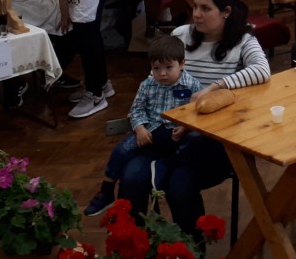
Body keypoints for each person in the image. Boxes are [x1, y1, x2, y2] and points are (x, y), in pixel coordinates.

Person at [119, 0, 270, 242]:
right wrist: (142, 122)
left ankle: (191, 251)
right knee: (132, 177)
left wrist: (216, 86)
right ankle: (131, 245)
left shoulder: (243, 41)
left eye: (205, 8)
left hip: (211, 143)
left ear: (226, 12)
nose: (197, 14)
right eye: (195, 7)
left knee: (179, 187)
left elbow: (262, 70)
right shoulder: (181, 35)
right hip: (166, 136)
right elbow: (152, 82)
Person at [84, 34, 206, 217]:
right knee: (121, 150)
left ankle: (164, 166)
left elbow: (197, 113)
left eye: (168, 67)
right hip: (150, 134)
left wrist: (186, 127)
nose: (162, 73)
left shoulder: (192, 86)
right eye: (156, 68)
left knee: (191, 147)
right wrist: (140, 128)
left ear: (182, 64)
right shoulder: (148, 85)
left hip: (176, 138)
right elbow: (136, 110)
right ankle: (106, 190)